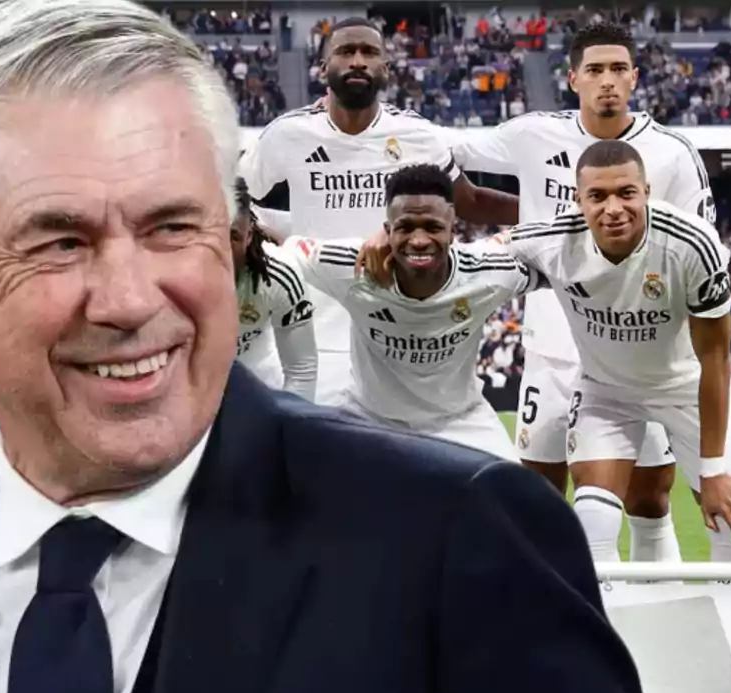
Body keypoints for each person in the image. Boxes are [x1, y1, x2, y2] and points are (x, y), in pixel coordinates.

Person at [0, 1, 670, 693]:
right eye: (57, 241)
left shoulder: (464, 538)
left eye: (172, 227)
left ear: (232, 241)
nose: (128, 299)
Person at [450, 21, 716, 563]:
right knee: (541, 497)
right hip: (553, 350)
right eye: (595, 70)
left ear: (636, 77)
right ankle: (555, 622)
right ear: (573, 77)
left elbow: (699, 253)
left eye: (619, 69)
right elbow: (443, 149)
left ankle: (648, 627)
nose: (607, 81)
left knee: (648, 498)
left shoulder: (671, 154)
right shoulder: (533, 135)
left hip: (639, 355)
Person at [447, 141, 731, 564]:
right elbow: (475, 257)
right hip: (605, 394)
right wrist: (403, 244)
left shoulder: (692, 244)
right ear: (578, 200)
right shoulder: (555, 240)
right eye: (598, 196)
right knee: (592, 524)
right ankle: (611, 629)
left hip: (685, 388)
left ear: (647, 191)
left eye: (626, 193)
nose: (613, 208)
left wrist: (713, 471)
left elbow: (716, 359)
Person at [239, 17, 517, 407]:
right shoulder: (285, 136)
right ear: (322, 68)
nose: (357, 61)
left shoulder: (418, 135)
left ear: (386, 68)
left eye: (369, 53)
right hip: (318, 330)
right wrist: (277, 236)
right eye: (345, 51)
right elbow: (235, 201)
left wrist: (544, 209)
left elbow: (468, 201)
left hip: (395, 329)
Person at [282, 164, 541, 460]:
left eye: (432, 227)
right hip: (370, 418)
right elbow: (286, 253)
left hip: (460, 421)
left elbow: (552, 256)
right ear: (387, 229)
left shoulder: (489, 271)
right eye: (405, 228)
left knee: (514, 500)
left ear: (453, 229)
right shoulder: (352, 267)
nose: (419, 241)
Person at [232, 177, 317, 400]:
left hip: (255, 390)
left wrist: (291, 429)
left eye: (232, 236)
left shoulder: (277, 276)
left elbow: (301, 370)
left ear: (249, 234)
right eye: (211, 233)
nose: (220, 248)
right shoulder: (163, 277)